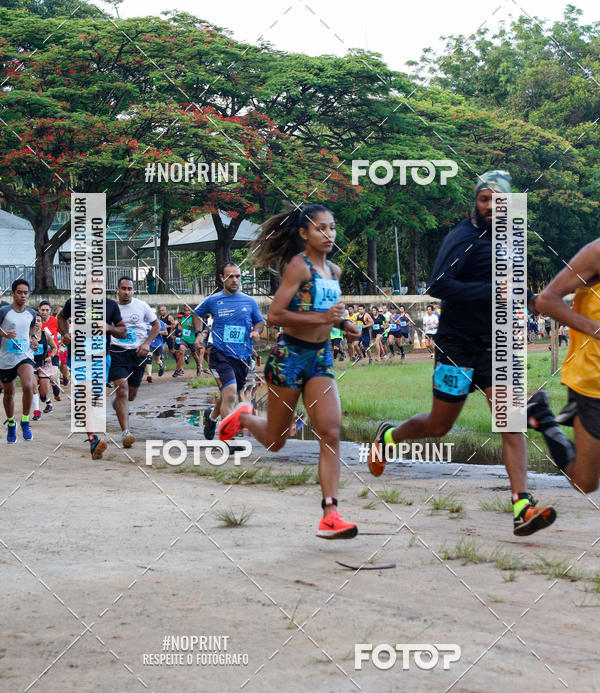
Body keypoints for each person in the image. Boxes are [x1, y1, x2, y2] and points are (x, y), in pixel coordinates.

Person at [368, 171, 557, 537]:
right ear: (476, 202)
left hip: (497, 342)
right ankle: (388, 438)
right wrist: (490, 292)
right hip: (456, 345)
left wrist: (529, 299)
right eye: (484, 199)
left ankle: (522, 505)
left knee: (510, 421)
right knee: (440, 426)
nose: (490, 206)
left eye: (497, 200)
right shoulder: (463, 237)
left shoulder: (512, 241)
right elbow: (439, 284)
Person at [216, 204, 362, 540]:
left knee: (330, 432)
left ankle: (330, 513)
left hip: (320, 359)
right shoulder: (299, 266)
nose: (329, 235)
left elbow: (326, 313)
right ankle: (245, 417)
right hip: (289, 357)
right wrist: (324, 320)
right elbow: (276, 316)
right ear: (303, 233)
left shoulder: (334, 272)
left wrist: (345, 324)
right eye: (320, 229)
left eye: (332, 228)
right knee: (277, 442)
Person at [527, 238, 600, 495]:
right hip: (592, 381)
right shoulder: (595, 252)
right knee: (585, 482)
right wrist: (595, 329)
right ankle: (542, 418)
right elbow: (546, 301)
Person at [192, 262, 265, 443]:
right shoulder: (213, 300)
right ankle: (227, 440)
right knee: (231, 394)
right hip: (220, 354)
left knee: (227, 394)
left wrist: (256, 331)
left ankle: (211, 419)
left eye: (237, 276)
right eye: (230, 276)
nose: (234, 280)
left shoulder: (249, 301)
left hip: (243, 356)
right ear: (221, 278)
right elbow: (196, 314)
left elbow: (260, 322)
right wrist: (199, 334)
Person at [58, 292, 127, 458]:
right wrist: (65, 334)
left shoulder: (110, 305)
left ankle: (92, 437)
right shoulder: (73, 303)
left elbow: (123, 331)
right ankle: (93, 439)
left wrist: (109, 327)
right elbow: (61, 317)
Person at [109, 277, 159, 448]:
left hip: (138, 354)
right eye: (123, 288)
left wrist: (147, 344)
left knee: (130, 395)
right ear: (117, 289)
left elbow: (157, 325)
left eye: (129, 288)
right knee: (122, 389)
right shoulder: (110, 308)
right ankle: (126, 433)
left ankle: (119, 402)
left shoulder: (142, 305)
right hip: (116, 353)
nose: (127, 292)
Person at [0, 279, 39, 442]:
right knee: (9, 394)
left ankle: (25, 421)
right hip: (5, 358)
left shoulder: (32, 313)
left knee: (29, 385)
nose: (23, 296)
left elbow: (31, 329)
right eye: (19, 292)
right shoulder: (4, 311)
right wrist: (4, 335)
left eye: (26, 293)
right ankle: (11, 423)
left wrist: (34, 338)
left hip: (25, 355)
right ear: (12, 294)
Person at [31, 313, 58, 419]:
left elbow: (54, 347)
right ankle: (36, 412)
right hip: (31, 365)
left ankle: (47, 400)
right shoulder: (26, 334)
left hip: (44, 364)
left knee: (43, 392)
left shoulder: (45, 334)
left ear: (42, 323)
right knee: (33, 388)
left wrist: (50, 356)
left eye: (38, 321)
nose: (36, 323)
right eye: (34, 321)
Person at [38, 301, 62, 402]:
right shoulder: (36, 322)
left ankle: (55, 388)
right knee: (45, 379)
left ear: (50, 311)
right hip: (41, 355)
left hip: (54, 353)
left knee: (53, 376)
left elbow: (64, 334)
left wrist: (62, 345)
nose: (44, 312)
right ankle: (46, 397)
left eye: (47, 310)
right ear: (39, 310)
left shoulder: (55, 321)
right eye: (42, 310)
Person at [146, 315, 167, 381]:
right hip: (149, 342)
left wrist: (156, 331)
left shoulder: (160, 322)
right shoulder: (145, 322)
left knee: (157, 361)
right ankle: (149, 375)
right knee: (149, 357)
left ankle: (161, 365)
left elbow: (166, 332)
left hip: (158, 343)